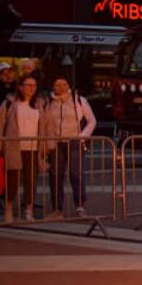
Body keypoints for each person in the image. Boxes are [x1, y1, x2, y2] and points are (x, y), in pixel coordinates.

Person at [38, 77, 95, 217]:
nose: (61, 87)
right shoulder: (48, 102)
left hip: (74, 142)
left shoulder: (79, 101)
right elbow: (44, 124)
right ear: (53, 87)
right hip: (55, 143)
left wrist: (82, 136)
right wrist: (45, 143)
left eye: (64, 84)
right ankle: (57, 208)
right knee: (55, 175)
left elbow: (92, 120)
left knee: (76, 174)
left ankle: (80, 206)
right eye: (57, 84)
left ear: (69, 85)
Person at [0, 73, 44, 222]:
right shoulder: (9, 103)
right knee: (12, 180)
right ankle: (8, 208)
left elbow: (44, 126)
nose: (31, 88)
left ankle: (28, 210)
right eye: (28, 85)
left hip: (33, 148)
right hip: (14, 147)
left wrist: (46, 145)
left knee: (30, 180)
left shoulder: (39, 104)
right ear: (20, 87)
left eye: (34, 85)